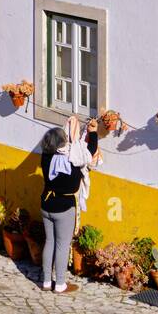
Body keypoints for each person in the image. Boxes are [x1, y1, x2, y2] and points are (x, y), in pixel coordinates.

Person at [39, 115, 99, 293]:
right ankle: (60, 284)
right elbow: (89, 152)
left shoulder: (46, 157)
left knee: (49, 241)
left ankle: (46, 282)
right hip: (64, 207)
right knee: (62, 245)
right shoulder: (73, 159)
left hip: (46, 203)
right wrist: (93, 133)